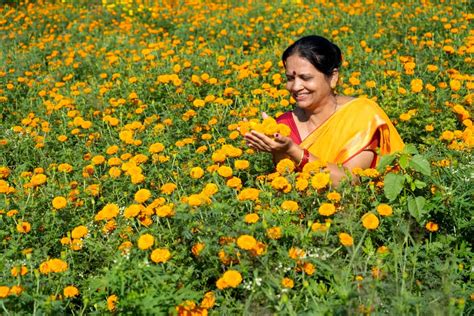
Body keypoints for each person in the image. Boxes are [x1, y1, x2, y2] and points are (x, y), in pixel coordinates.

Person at [244, 35, 404, 186]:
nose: (296, 87)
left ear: (333, 77)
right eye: (290, 78)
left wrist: (293, 150)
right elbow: (287, 185)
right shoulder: (284, 125)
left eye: (305, 78)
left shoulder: (361, 115)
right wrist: (273, 146)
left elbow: (349, 181)